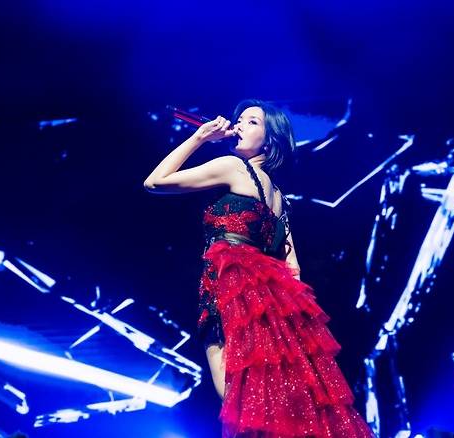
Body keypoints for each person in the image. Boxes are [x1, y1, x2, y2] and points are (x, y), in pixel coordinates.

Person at [144, 99, 373, 437]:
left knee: (238, 402)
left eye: (251, 121)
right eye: (238, 119)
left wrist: (200, 137)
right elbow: (293, 267)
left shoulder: (232, 167)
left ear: (271, 139)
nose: (238, 124)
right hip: (273, 304)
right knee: (278, 402)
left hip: (230, 286)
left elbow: (155, 182)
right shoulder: (281, 199)